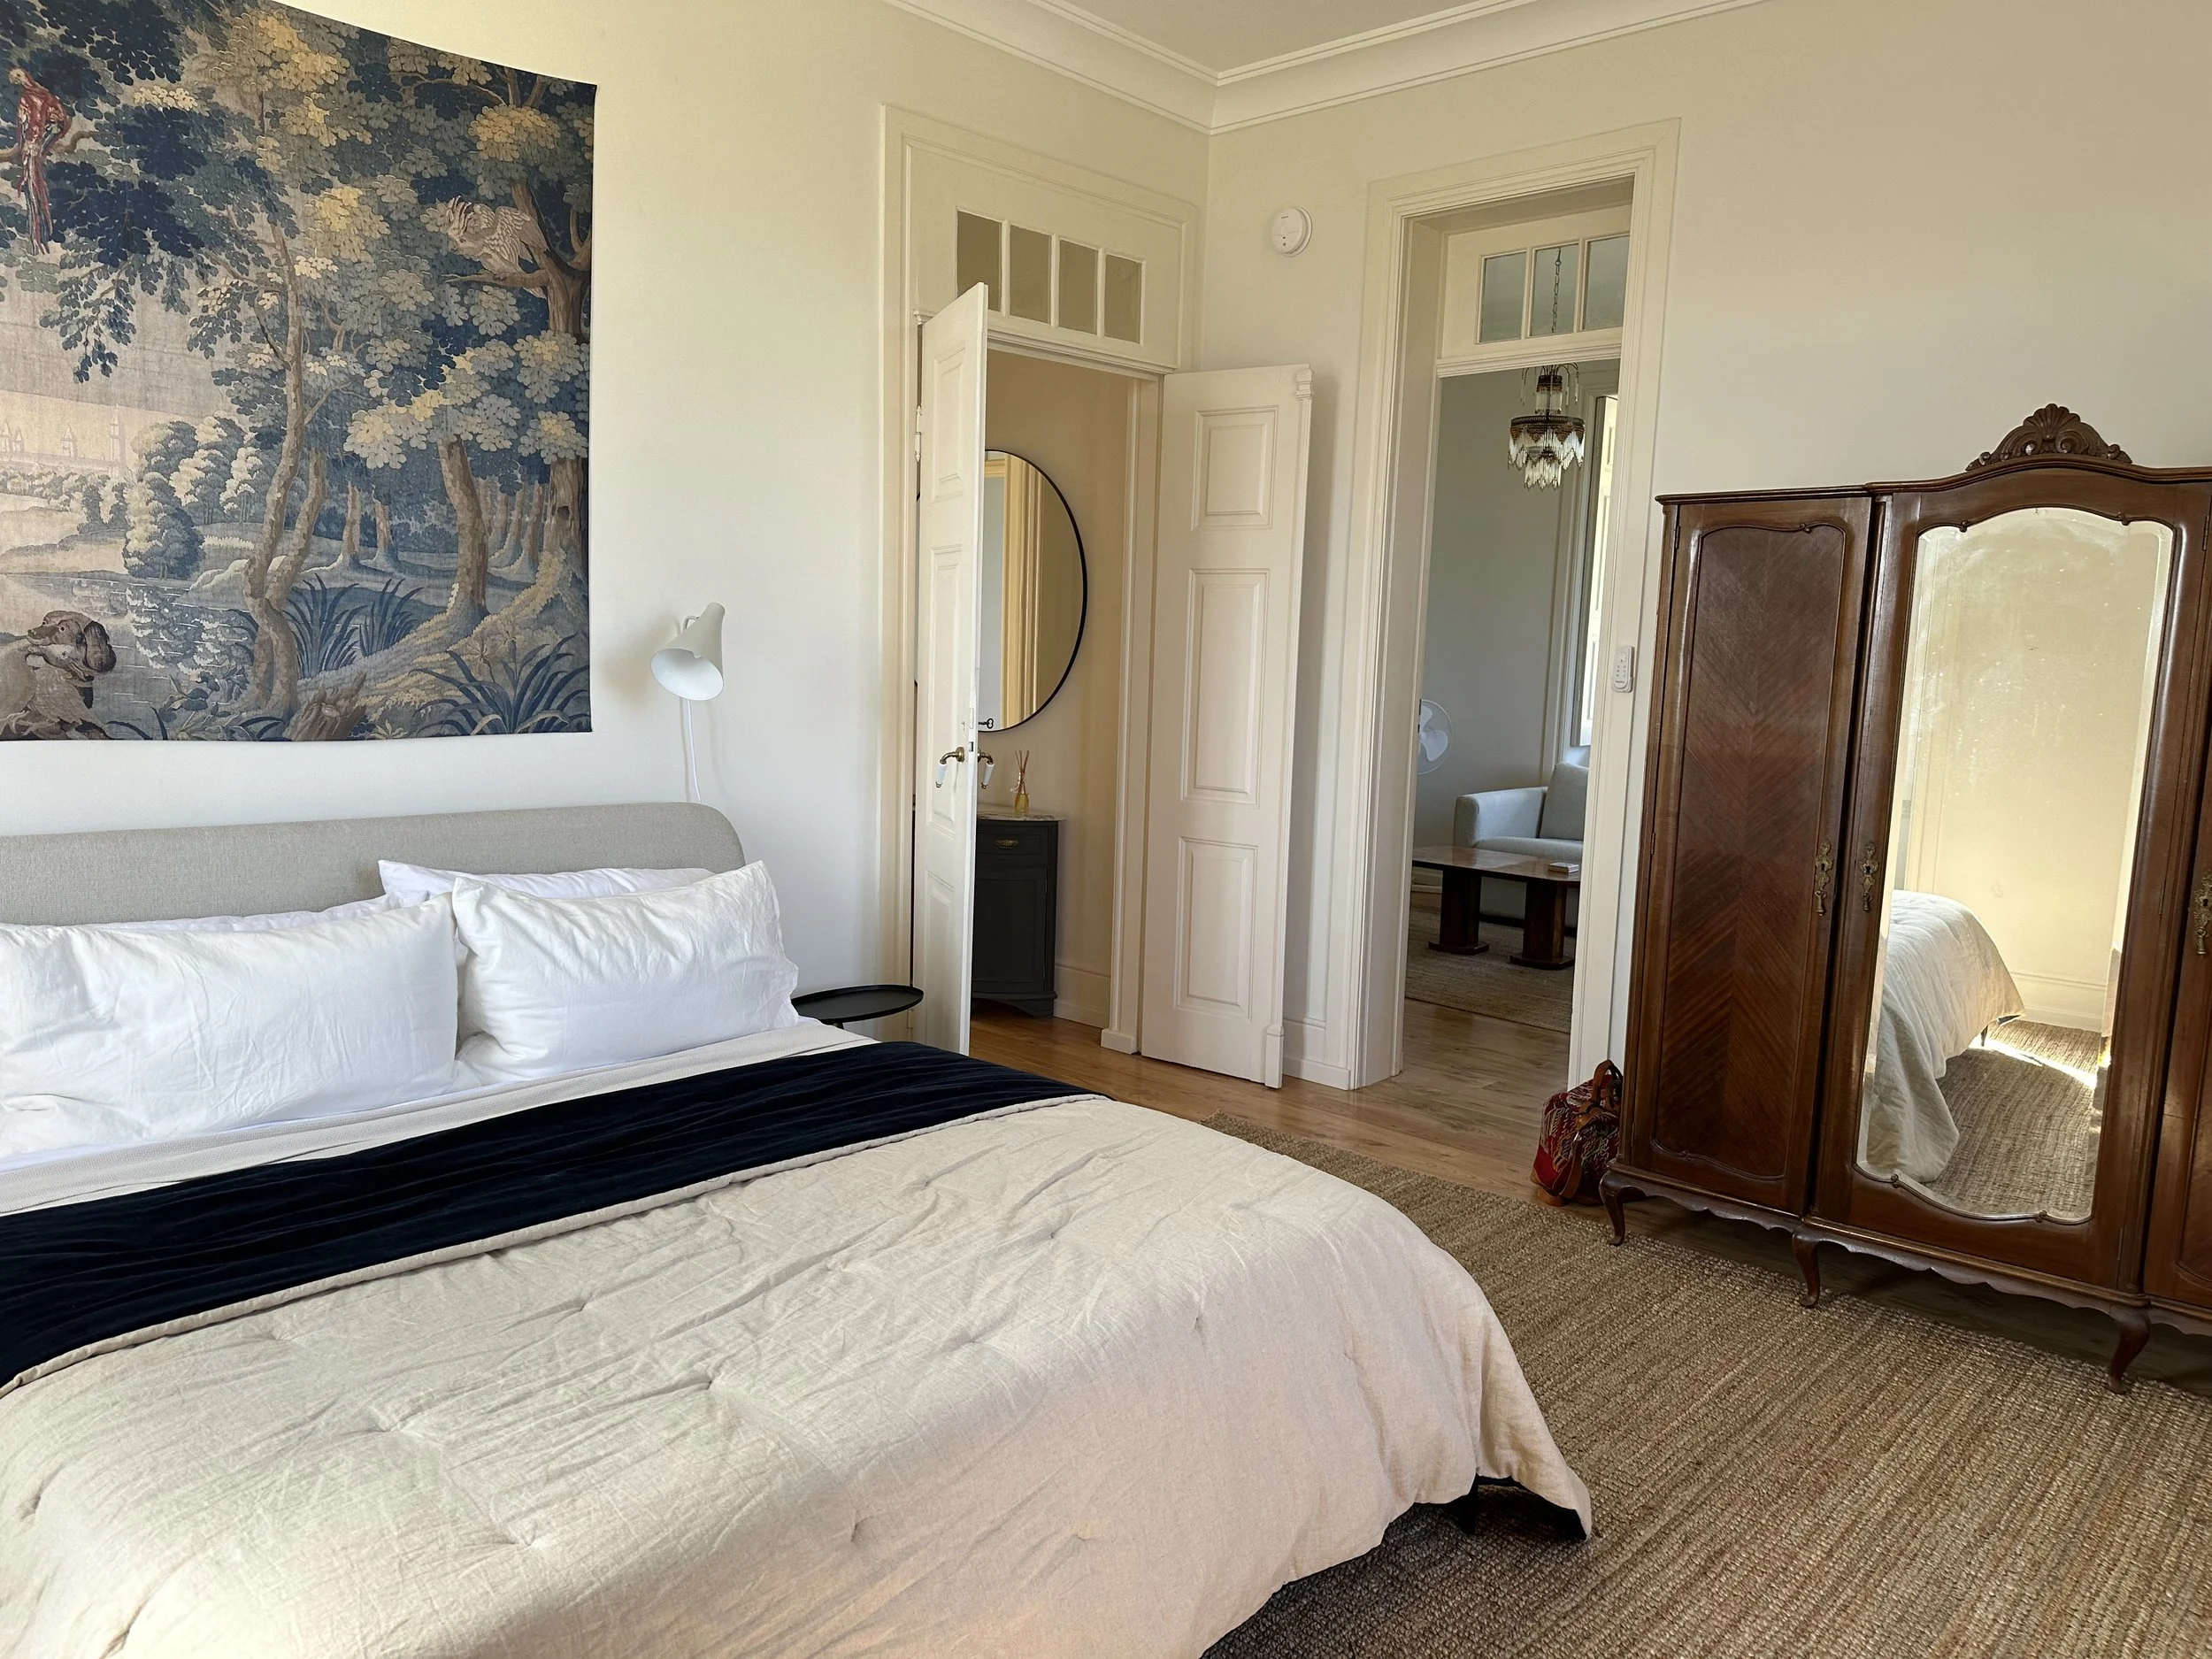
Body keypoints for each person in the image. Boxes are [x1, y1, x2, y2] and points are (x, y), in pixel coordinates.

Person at [10, 66, 70, 252]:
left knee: (36, 187)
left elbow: (52, 117)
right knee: (33, 189)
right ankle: (37, 238)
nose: (19, 80)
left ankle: (40, 236)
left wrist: (36, 142)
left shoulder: (40, 95)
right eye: (16, 79)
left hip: (37, 141)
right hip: (34, 143)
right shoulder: (30, 97)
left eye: (19, 75)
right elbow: (29, 122)